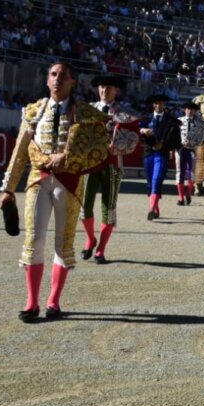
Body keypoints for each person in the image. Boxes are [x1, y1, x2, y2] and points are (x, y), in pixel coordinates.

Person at [0, 62, 109, 322]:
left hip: (69, 183)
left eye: (63, 76)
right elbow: (19, 151)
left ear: (73, 82)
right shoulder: (34, 111)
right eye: (53, 75)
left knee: (63, 243)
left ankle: (54, 301)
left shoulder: (86, 113)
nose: (57, 79)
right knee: (35, 240)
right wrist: (8, 189)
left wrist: (68, 156)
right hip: (38, 179)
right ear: (47, 80)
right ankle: (31, 302)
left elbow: (99, 150)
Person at [80, 75, 137, 265]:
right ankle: (90, 239)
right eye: (102, 87)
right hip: (89, 164)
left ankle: (100, 250)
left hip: (112, 164)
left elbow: (132, 140)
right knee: (84, 206)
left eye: (109, 88)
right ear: (98, 89)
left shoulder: (124, 113)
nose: (105, 91)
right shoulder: (88, 110)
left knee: (109, 208)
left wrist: (117, 146)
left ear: (116, 91)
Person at [139, 94, 179, 220]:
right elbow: (137, 128)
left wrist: (166, 146)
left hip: (162, 153)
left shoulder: (171, 120)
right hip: (148, 152)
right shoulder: (146, 117)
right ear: (153, 105)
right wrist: (142, 130)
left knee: (157, 180)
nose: (158, 105)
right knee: (150, 182)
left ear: (164, 104)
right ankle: (155, 208)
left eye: (161, 103)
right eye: (156, 103)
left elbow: (176, 139)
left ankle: (151, 208)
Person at [175, 101, 204, 203]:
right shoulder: (178, 121)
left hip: (193, 149)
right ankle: (180, 197)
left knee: (191, 173)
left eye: (192, 109)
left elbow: (202, 138)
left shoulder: (200, 123)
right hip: (180, 149)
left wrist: (193, 143)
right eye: (188, 109)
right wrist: (180, 143)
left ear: (195, 111)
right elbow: (174, 135)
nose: (190, 111)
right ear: (185, 110)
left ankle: (188, 193)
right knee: (180, 172)